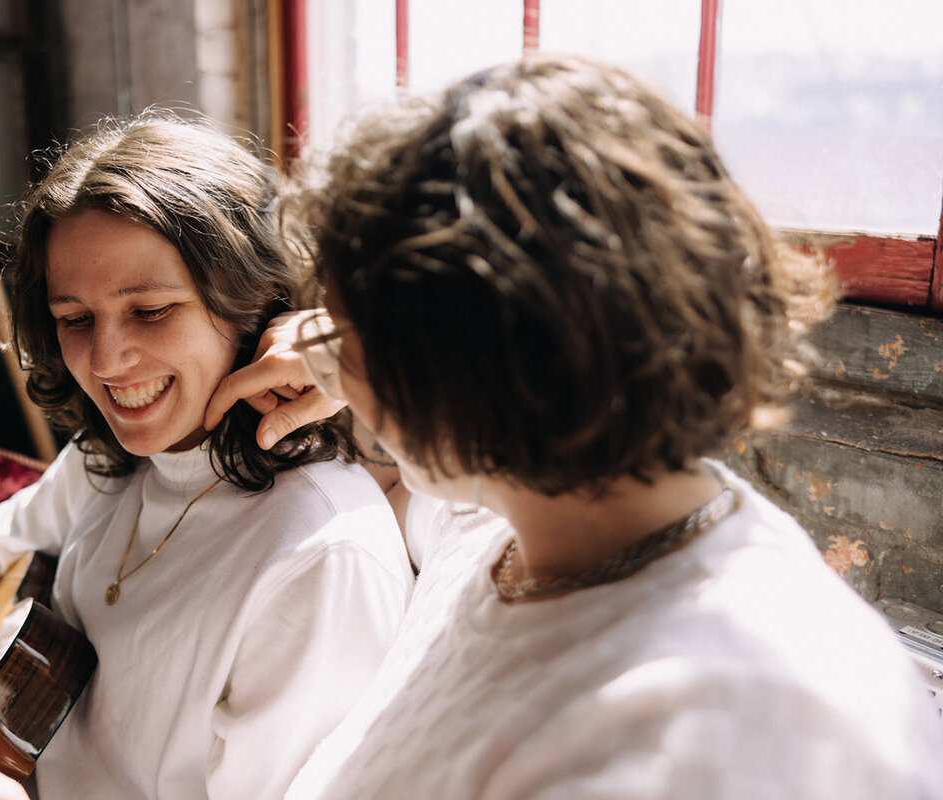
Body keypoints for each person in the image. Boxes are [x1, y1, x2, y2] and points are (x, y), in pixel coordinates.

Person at [203, 55, 943, 798]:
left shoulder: (706, 734)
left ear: (468, 367)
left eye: (353, 321)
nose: (328, 340)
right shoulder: (524, 514)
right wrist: (347, 352)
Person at [0, 113, 412, 800]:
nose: (107, 361)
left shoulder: (318, 558)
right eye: (75, 319)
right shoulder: (119, 460)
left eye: (149, 311)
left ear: (253, 300)